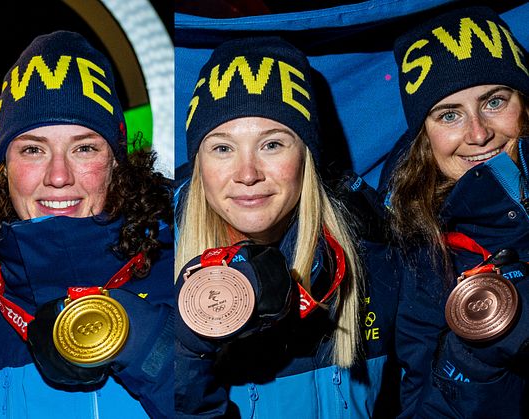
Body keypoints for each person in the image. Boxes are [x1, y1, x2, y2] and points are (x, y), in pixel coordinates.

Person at [0, 31, 174, 418]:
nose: (59, 176)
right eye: (33, 149)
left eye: (84, 148)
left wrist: (148, 342)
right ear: (3, 169)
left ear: (116, 163)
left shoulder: (185, 276)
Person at [174, 36, 400, 417]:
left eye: (272, 144)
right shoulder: (155, 260)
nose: (247, 174)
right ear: (199, 162)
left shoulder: (375, 246)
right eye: (223, 148)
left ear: (306, 156)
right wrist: (183, 354)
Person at [386, 6, 529, 418]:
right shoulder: (424, 258)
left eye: (495, 101)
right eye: (449, 114)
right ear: (424, 138)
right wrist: (475, 360)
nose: (479, 133)